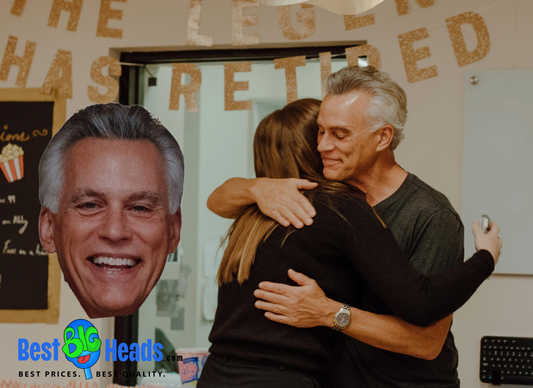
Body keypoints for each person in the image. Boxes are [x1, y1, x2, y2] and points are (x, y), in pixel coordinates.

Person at [207, 67, 502, 387]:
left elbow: (426, 342)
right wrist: (257, 188)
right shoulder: (308, 199)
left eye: (340, 134)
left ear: (383, 137)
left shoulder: (430, 215)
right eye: (319, 132)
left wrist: (329, 313)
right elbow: (217, 201)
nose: (322, 146)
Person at [38, 103, 184, 319]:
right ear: (48, 228)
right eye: (89, 205)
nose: (115, 231)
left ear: (173, 230)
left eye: (140, 208)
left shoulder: (173, 354)